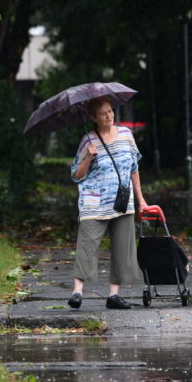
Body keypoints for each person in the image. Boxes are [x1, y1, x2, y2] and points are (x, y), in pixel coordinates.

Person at [68, 95, 147, 309]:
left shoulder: (126, 135)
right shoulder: (88, 140)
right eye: (103, 113)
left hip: (122, 202)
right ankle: (77, 292)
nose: (109, 116)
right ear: (93, 117)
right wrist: (88, 158)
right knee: (87, 245)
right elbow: (76, 175)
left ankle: (113, 296)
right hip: (94, 203)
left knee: (122, 248)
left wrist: (141, 200)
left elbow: (134, 169)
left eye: (110, 111)